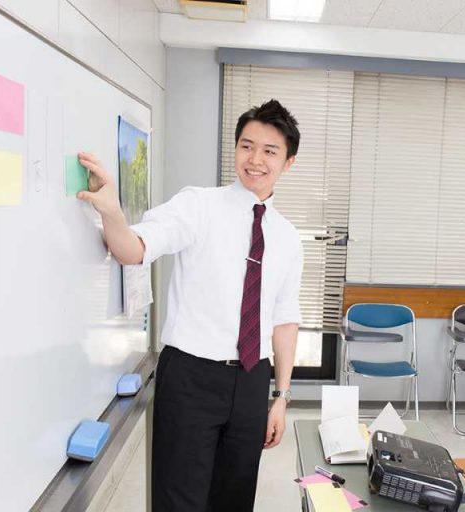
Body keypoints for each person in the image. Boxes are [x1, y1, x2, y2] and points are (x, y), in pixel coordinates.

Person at [77, 99, 304, 511]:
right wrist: (112, 211)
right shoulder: (198, 206)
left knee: (233, 501)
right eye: (246, 146)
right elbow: (133, 249)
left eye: (270, 151)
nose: (255, 160)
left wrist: (281, 397)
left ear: (288, 163)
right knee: (178, 501)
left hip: (253, 381)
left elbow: (285, 321)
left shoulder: (288, 238)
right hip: (191, 377)